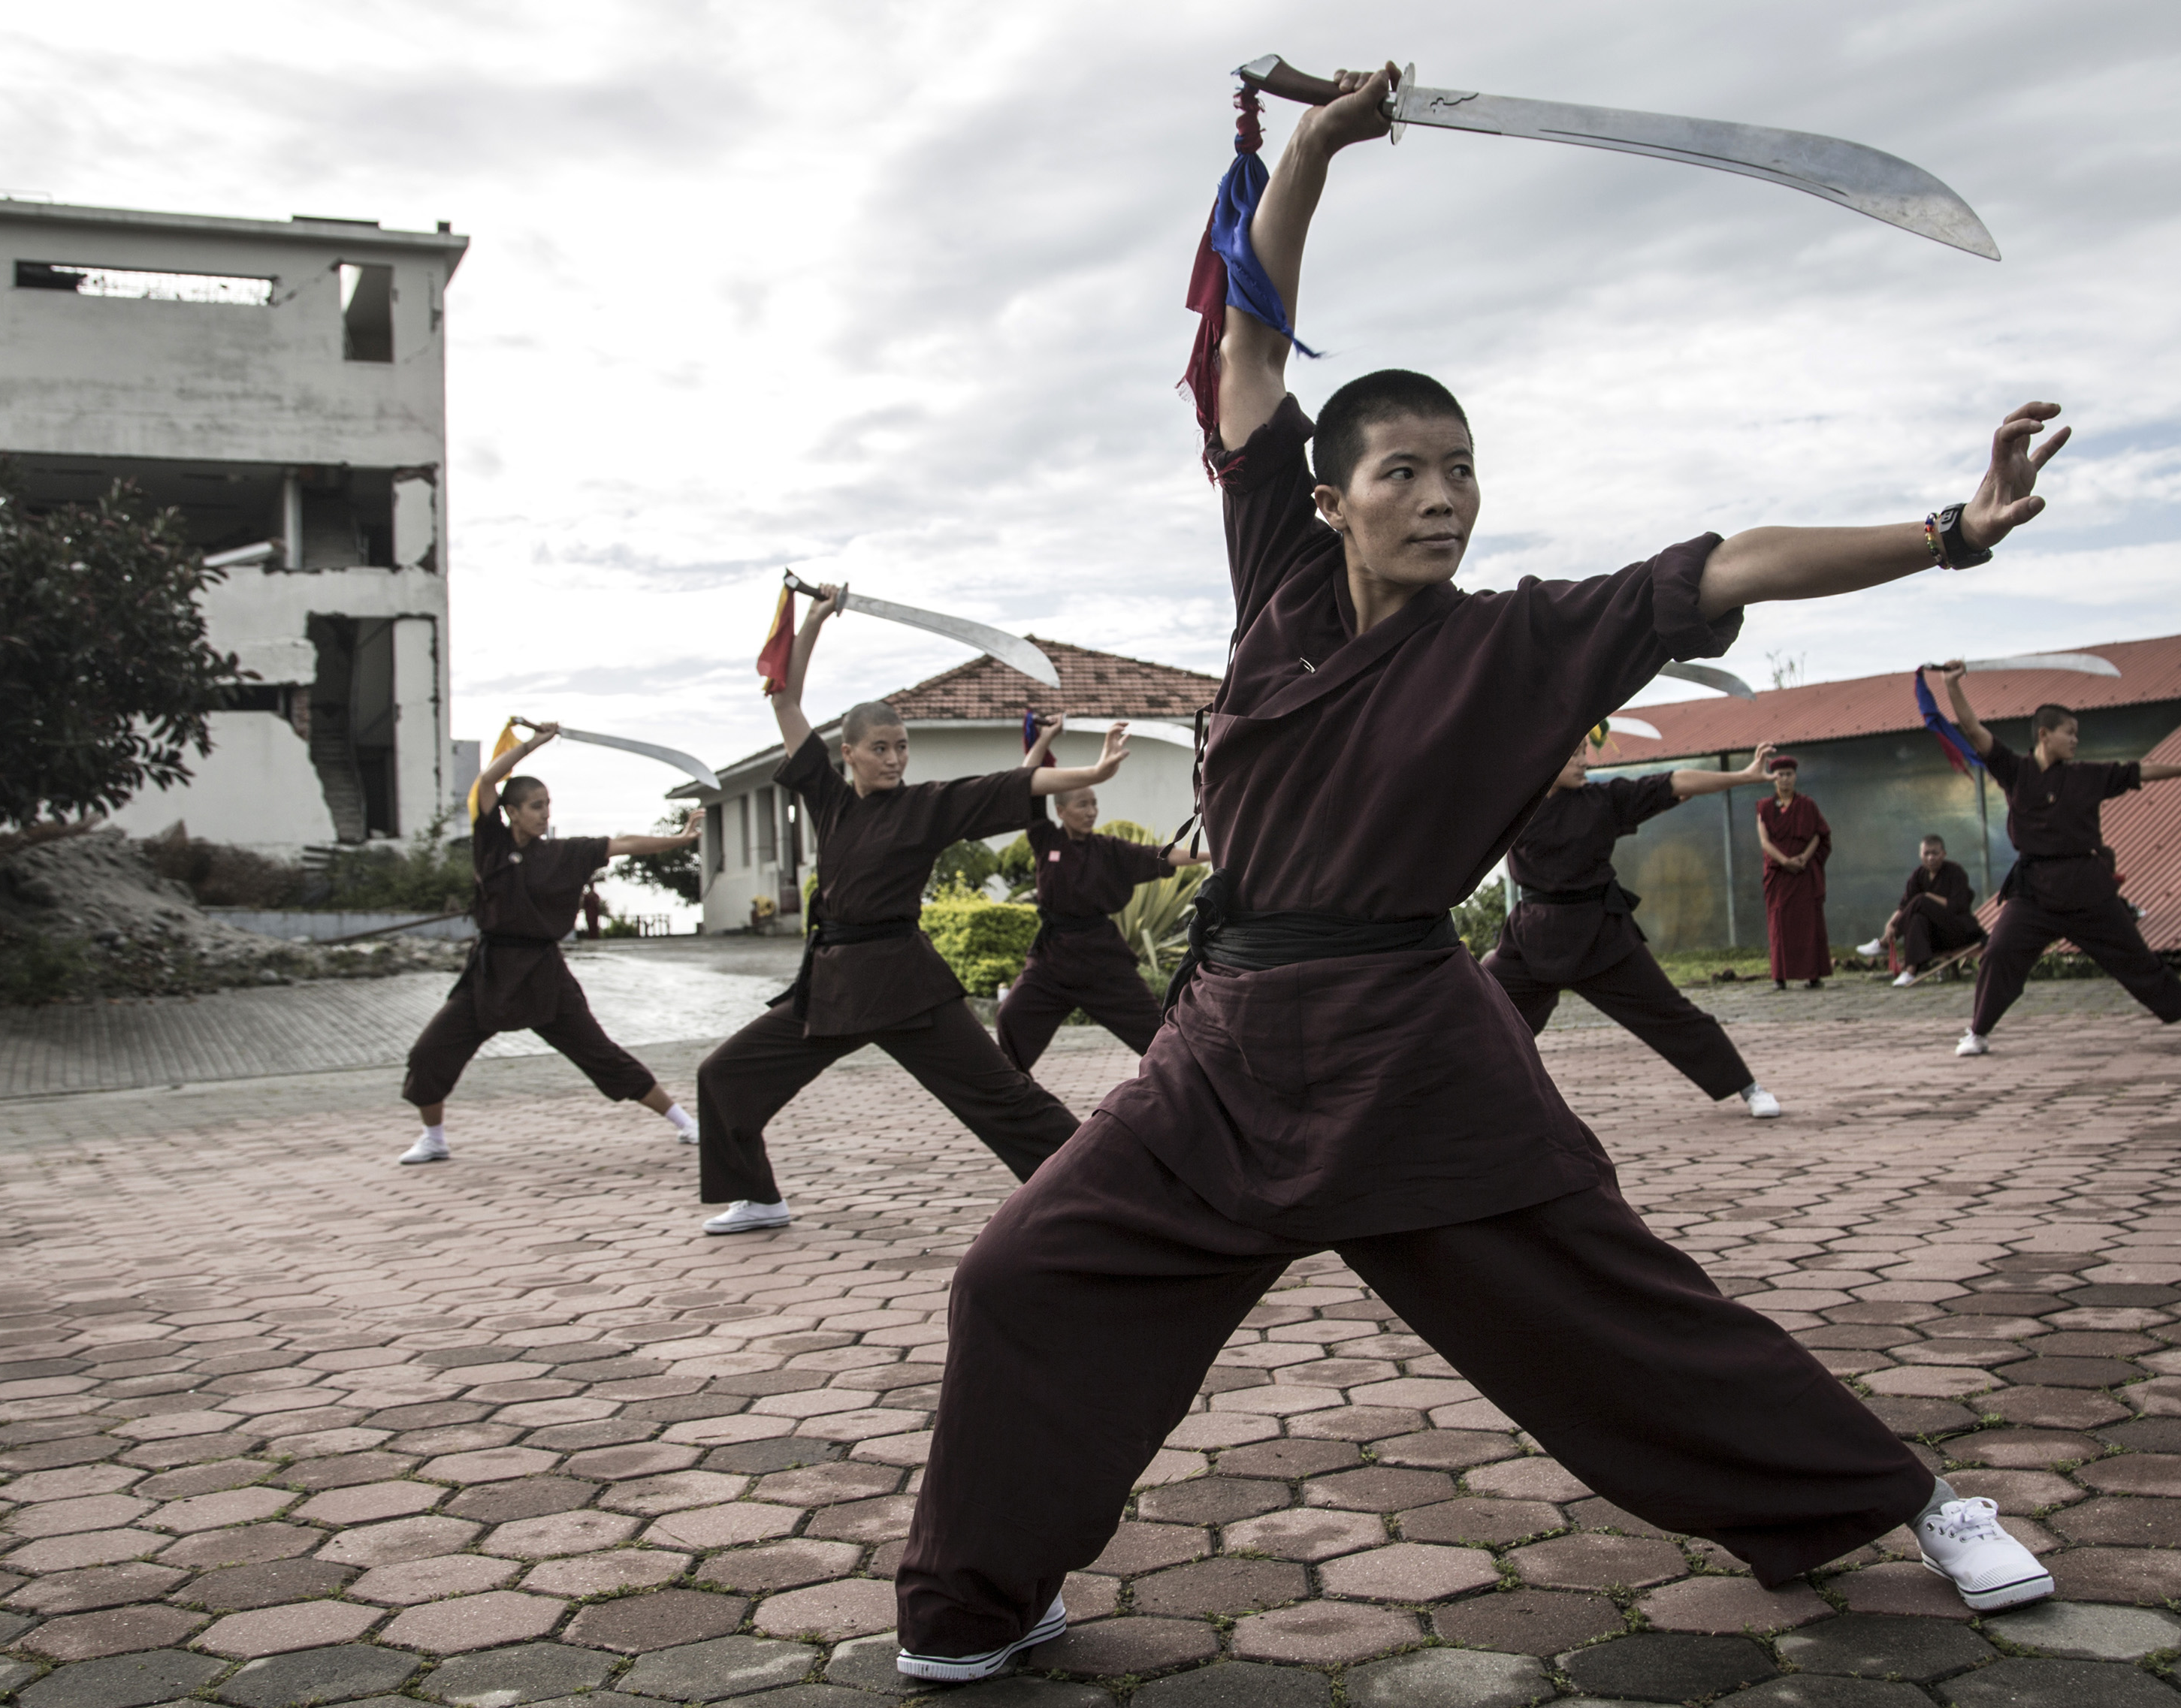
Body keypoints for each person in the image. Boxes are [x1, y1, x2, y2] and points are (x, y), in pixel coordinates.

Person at [892, 68, 2063, 1682]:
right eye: (1403, 472)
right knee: (1022, 1274)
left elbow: (1730, 561)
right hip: (1227, 1051)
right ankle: (980, 1599)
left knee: (1620, 1315)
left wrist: (1947, 530)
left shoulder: (1522, 641)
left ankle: (1911, 1500)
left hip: (1413, 1053)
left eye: (1461, 469)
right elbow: (1246, 340)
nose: (1440, 495)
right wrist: (1307, 153)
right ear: (1329, 498)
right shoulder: (1279, 588)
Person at [692, 590, 1128, 1236]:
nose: (895, 759)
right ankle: (757, 1197)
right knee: (722, 1076)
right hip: (832, 989)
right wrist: (811, 621)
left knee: (1005, 1099)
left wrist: (1093, 770)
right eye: (881, 748)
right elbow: (784, 699)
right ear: (849, 753)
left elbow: (1009, 787)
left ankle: (1106, 1193)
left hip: (902, 984)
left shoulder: (924, 805)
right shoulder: (829, 799)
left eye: (901, 747)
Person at [398, 724, 705, 1162]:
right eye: (535, 806)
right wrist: (534, 744)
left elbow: (625, 844)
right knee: (430, 1052)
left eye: (547, 806)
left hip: (543, 972)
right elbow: (487, 781)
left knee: (599, 1053)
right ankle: (435, 1139)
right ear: (512, 812)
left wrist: (679, 839)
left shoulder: (564, 854)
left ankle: (684, 1123)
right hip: (489, 973)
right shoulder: (491, 844)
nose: (544, 814)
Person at [1483, 738, 1784, 1115]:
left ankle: (1749, 1088)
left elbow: (1672, 782)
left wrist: (1743, 776)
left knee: (1670, 1013)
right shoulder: (1512, 807)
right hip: (1531, 939)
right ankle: (1455, 1094)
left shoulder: (1603, 799)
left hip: (1600, 937)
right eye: (1573, 755)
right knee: (1478, 1003)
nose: (1583, 763)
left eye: (1583, 755)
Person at [1936, 668, 2181, 1055]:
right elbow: (1972, 728)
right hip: (2034, 891)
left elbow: (2141, 771)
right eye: (2070, 732)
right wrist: (1952, 685)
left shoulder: (2087, 776)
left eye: (2077, 734)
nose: (2075, 741)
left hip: (2087, 887)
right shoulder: (2014, 771)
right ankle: (1978, 1032)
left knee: (2136, 959)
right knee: (2000, 952)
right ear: (2044, 734)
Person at [992, 712, 1204, 1071]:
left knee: (1157, 1034)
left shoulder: (1108, 849)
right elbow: (1024, 782)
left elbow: (1165, 855)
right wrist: (1044, 739)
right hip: (1052, 962)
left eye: (1094, 804)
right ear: (1060, 810)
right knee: (1011, 1019)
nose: (1091, 811)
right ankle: (1010, 1094)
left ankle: (1185, 1086)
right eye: (1082, 804)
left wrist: (1226, 852)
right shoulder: (1046, 839)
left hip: (1102, 961)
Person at [1858, 834, 1985, 986]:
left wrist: (1928, 897)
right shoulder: (1918, 875)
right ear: (1920, 855)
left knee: (1921, 900)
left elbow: (1958, 905)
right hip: (1934, 937)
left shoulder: (1955, 872)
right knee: (1918, 919)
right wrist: (1891, 924)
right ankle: (1910, 973)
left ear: (1943, 854)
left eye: (1935, 853)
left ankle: (1885, 944)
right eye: (1927, 853)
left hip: (1958, 932)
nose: (1931, 858)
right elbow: (1904, 906)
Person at [1757, 756, 1832, 988]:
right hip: (1779, 875)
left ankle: (1813, 975)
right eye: (1780, 775)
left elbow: (1818, 835)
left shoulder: (1807, 805)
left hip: (1803, 872)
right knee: (1780, 923)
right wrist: (1784, 861)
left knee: (1809, 922)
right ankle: (1780, 977)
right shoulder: (1765, 807)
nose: (1785, 779)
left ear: (1795, 777)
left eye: (1789, 774)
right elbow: (1765, 841)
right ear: (1773, 778)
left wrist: (1803, 859)